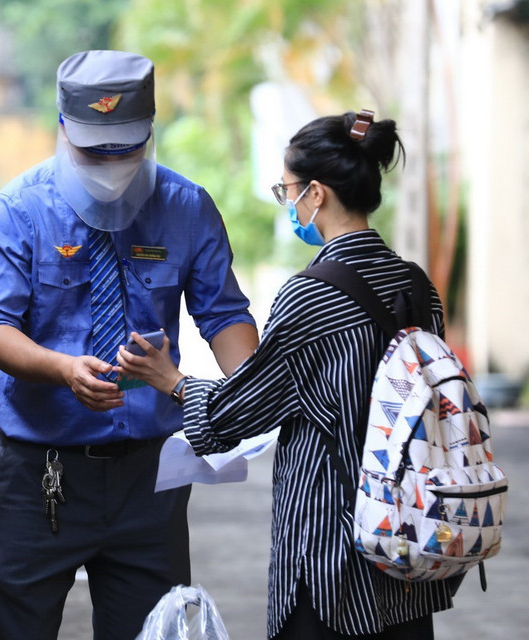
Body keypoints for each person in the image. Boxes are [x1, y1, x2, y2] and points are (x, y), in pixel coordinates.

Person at [116, 110, 456, 640]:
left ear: (316, 194)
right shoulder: (415, 284)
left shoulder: (310, 294)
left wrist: (173, 381)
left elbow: (239, 412)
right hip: (409, 535)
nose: (289, 203)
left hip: (331, 551)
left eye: (287, 190)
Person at [0, 49, 259, 639]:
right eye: (94, 149)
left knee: (153, 630)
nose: (109, 162)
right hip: (40, 476)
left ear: (149, 132)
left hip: (149, 481)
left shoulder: (186, 208)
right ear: (63, 128)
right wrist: (62, 369)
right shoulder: (20, 211)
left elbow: (225, 316)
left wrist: (252, 396)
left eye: (124, 148)